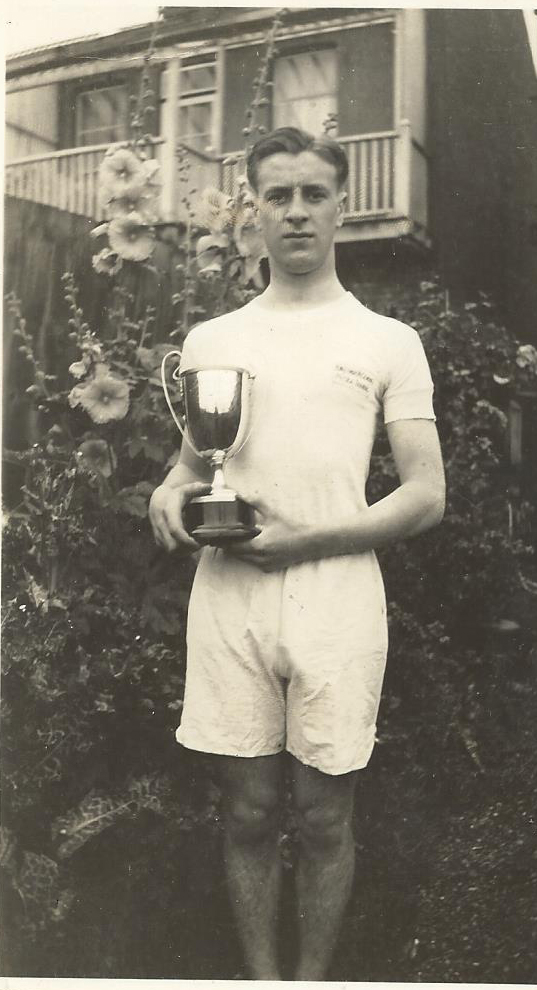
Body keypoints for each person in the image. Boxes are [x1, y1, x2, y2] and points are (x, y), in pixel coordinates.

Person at [149, 126, 445, 981]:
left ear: (341, 205)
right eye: (277, 195)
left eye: (314, 193)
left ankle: (309, 983)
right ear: (254, 210)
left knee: (323, 818)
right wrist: (167, 495)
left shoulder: (388, 340)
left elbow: (426, 494)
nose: (297, 211)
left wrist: (309, 540)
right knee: (245, 813)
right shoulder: (214, 340)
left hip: (336, 592)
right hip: (231, 594)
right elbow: (189, 466)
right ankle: (263, 981)